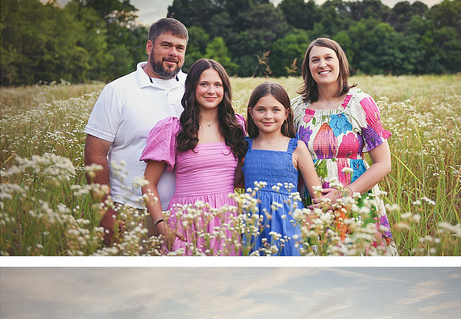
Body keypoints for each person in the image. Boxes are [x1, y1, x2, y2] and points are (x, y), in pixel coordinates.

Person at [83, 18, 188, 246]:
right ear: (150, 47)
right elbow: (95, 154)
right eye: (166, 45)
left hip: (184, 211)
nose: (173, 53)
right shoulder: (118, 91)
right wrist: (106, 212)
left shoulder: (194, 88)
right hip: (132, 210)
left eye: (179, 48)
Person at [290, 38, 394, 253]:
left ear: (340, 63)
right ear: (308, 68)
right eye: (315, 60)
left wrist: (345, 193)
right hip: (311, 203)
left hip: (356, 199)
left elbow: (383, 163)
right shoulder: (296, 107)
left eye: (329, 58)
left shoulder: (360, 103)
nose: (322, 64)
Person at [140, 58, 247, 255]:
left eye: (217, 85)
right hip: (185, 219)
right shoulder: (173, 129)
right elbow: (148, 182)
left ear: (225, 90)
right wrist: (162, 226)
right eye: (203, 84)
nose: (211, 91)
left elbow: (246, 174)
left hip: (226, 218)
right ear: (192, 88)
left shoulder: (237, 127)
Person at [242, 82, 323, 256]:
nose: (268, 116)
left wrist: (308, 221)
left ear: (286, 113)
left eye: (275, 110)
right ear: (251, 112)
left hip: (288, 226)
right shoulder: (245, 147)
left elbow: (318, 196)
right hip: (253, 225)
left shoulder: (296, 147)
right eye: (261, 109)